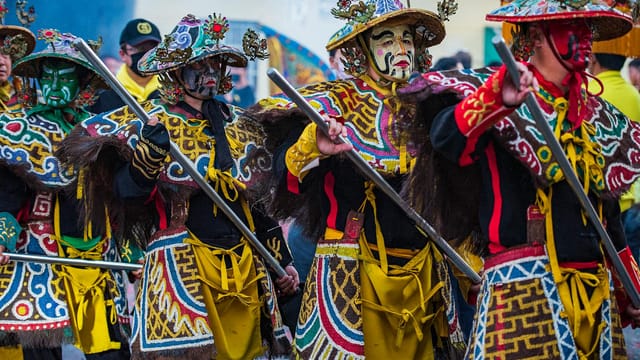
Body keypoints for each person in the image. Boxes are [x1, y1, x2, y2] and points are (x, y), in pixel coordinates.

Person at [398, 0, 640, 358]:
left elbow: (608, 215)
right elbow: (446, 138)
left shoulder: (600, 115)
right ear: (538, 34)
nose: (586, 38)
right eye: (572, 27)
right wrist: (497, 99)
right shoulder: (492, 88)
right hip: (522, 288)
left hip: (595, 297)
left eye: (588, 28)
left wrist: (628, 286)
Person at [58, 14, 298, 359]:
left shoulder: (242, 125)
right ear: (175, 72)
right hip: (180, 263)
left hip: (245, 266)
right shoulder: (147, 120)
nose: (209, 72)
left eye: (215, 62)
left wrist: (281, 260)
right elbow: (128, 193)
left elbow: (256, 203)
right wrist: (149, 155)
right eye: (198, 64)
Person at [248, 1, 471, 358]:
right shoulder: (332, 103)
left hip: (425, 272)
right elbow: (286, 175)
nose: (401, 50)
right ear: (362, 50)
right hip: (350, 272)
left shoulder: (433, 104)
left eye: (407, 39)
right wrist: (314, 145)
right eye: (386, 41)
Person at [0, 30, 135, 360]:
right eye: (48, 77)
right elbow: (7, 193)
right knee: (42, 350)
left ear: (82, 84)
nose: (55, 85)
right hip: (40, 251)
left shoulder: (99, 131)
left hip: (99, 251)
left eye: (65, 77)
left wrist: (133, 252)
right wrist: (2, 239)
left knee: (112, 352)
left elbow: (121, 197)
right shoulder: (18, 129)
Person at [89, 18, 162, 113]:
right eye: (139, 49)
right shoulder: (103, 96)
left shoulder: (173, 92)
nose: (146, 55)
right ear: (122, 54)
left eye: (152, 49)